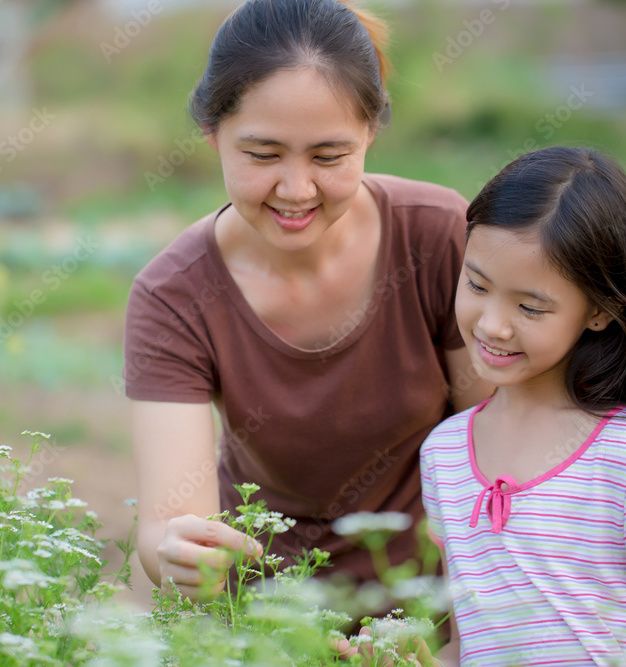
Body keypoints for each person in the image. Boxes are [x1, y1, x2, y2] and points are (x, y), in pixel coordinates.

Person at [124, 0, 492, 600]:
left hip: (444, 609)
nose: (296, 191)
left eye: (329, 157)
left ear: (370, 132)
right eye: (262, 155)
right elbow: (166, 525)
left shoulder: (437, 234)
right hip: (278, 620)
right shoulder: (175, 296)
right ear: (211, 132)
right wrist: (179, 556)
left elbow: (498, 441)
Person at [418, 146, 626, 666]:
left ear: (598, 311)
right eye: (477, 284)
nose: (492, 324)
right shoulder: (444, 454)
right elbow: (467, 647)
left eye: (529, 306)